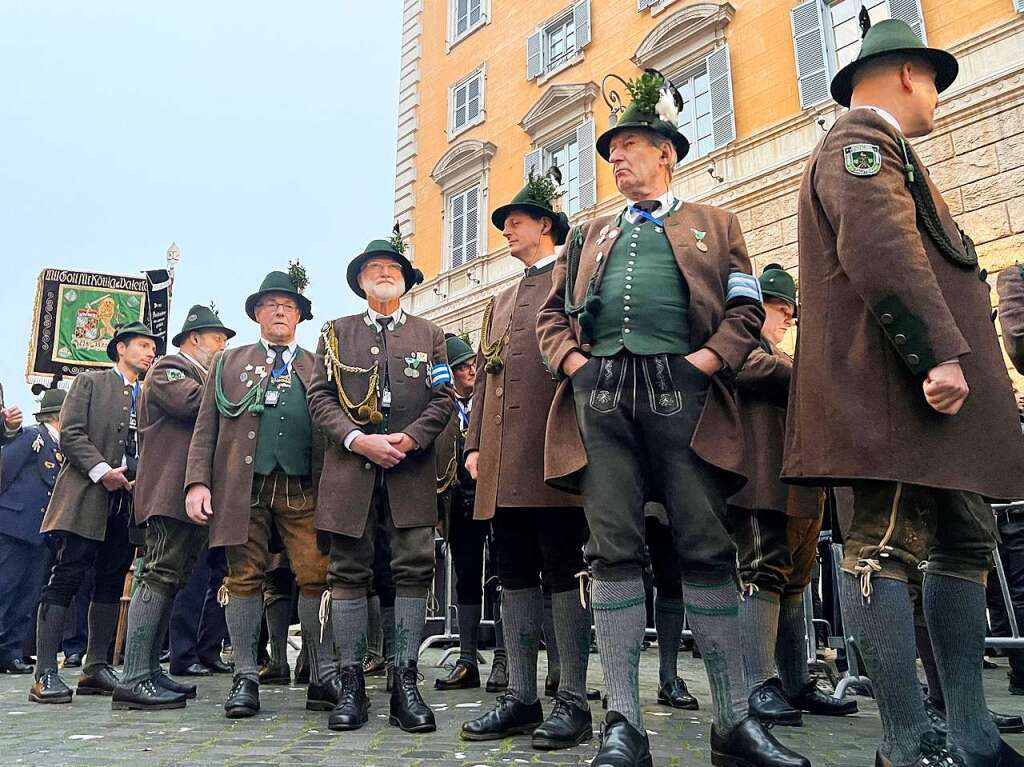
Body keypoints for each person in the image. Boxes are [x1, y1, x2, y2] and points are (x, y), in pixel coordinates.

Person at [536, 69, 809, 767]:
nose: (616, 158)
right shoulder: (590, 233)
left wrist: (704, 364)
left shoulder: (716, 225)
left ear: (666, 151)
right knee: (613, 550)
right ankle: (623, 723)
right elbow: (551, 317)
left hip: (685, 397)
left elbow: (748, 311)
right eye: (612, 149)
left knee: (707, 547)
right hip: (601, 400)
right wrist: (575, 364)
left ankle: (734, 721)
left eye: (628, 145)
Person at [782, 16, 1024, 767]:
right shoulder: (861, 136)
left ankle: (971, 734)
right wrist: (939, 352)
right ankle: (904, 740)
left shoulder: (882, 145)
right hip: (897, 387)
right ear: (911, 74)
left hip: (924, 396)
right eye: (937, 85)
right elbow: (879, 244)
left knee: (963, 538)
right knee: (883, 546)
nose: (939, 100)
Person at [460, 175, 594, 752]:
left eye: (516, 220)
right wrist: (471, 446)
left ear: (546, 225)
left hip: (559, 454)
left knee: (565, 571)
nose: (506, 229)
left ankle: (573, 701)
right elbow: (487, 381)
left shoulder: (578, 279)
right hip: (504, 463)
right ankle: (520, 696)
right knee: (511, 574)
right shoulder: (501, 299)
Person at [308, 232, 450, 734]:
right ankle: (351, 686)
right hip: (351, 472)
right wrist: (356, 440)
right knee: (348, 571)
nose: (385, 272)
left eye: (393, 267)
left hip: (410, 472)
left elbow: (443, 399)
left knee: (413, 568)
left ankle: (405, 684)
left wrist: (408, 440)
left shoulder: (430, 335)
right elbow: (320, 399)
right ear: (361, 281)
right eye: (375, 268)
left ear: (406, 280)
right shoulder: (334, 332)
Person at [185, 270, 339, 718]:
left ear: (300, 317)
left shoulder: (318, 364)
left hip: (301, 487)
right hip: (242, 488)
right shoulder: (227, 362)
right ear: (256, 313)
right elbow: (205, 428)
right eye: (270, 304)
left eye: (288, 306)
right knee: (244, 578)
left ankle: (321, 673)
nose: (279, 311)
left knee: (316, 575)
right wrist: (197, 483)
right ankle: (246, 677)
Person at [727, 267, 857, 725]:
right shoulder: (741, 343)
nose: (787, 321)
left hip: (799, 487)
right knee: (762, 573)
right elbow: (746, 368)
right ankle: (758, 683)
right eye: (782, 312)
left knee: (795, 582)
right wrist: (816, 369)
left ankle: (796, 679)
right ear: (759, 307)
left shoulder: (781, 355)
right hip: (761, 483)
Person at [112, 305, 234, 710]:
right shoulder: (168, 368)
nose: (224, 347)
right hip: (168, 492)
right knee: (158, 575)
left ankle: (148, 670)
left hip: (186, 494)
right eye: (219, 339)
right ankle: (133, 676)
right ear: (194, 338)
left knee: (175, 578)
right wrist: (235, 381)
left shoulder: (196, 372)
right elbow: (197, 404)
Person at [31, 322, 159, 703]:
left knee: (111, 578)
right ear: (120, 349)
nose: (150, 352)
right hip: (86, 495)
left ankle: (96, 667)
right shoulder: (89, 382)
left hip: (128, 502)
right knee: (67, 575)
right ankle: (44, 673)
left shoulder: (149, 394)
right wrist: (104, 472)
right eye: (142, 346)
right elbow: (71, 434)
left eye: (152, 347)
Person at [434, 334, 507, 692]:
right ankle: (467, 659)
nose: (469, 371)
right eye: (461, 367)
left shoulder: (489, 398)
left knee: (501, 575)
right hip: (459, 499)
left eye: (472, 365)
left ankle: (504, 659)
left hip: (494, 495)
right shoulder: (441, 405)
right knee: (466, 576)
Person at [0, 389, 65, 674]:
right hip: (14, 525)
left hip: (40, 532)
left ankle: (12, 652)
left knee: (27, 597)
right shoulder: (32, 437)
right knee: (5, 590)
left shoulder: (61, 446)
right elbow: (4, 470)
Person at [643, 504, 700, 710]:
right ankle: (619, 685)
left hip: (666, 494)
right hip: (623, 488)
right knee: (621, 572)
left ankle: (668, 677)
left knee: (671, 577)